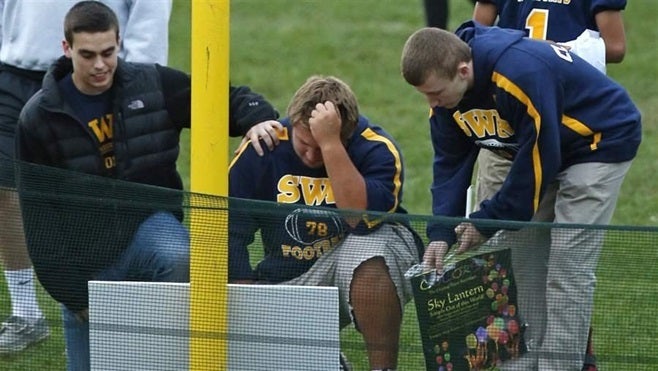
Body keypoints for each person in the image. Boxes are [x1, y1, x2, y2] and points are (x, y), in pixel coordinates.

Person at [14, 1, 279, 370]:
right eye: (87, 55)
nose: (100, 65)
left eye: (108, 52)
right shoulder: (38, 119)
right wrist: (73, 296)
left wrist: (257, 118)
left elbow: (223, 97)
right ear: (66, 49)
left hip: (147, 227)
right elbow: (39, 219)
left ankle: (163, 344)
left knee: (181, 257)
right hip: (84, 253)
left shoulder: (153, 83)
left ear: (119, 42)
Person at [400, 22, 641, 371]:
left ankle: (561, 366)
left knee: (566, 265)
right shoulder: (445, 95)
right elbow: (450, 163)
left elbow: (539, 158)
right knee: (520, 263)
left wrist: (485, 221)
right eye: (425, 95)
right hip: (541, 149)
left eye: (434, 93)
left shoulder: (518, 72)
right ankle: (524, 364)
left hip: (597, 142)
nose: (431, 103)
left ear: (463, 71)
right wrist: (440, 231)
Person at [0, 0, 172, 354]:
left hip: (97, 74)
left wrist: (136, 72)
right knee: (4, 186)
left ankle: (128, 321)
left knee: (91, 195)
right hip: (14, 69)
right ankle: (27, 314)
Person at [470, 2, 628, 370]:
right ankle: (513, 360)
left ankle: (570, 357)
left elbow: (615, 46)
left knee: (566, 265)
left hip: (572, 122)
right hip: (509, 129)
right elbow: (474, 34)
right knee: (507, 260)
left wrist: (547, 55)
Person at [228, 75, 423, 371]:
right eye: (304, 143)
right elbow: (230, 231)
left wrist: (330, 145)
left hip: (361, 253)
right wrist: (251, 305)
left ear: (349, 134)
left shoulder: (377, 149)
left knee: (368, 255)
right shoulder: (263, 148)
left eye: (321, 147)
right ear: (293, 123)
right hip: (290, 273)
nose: (311, 155)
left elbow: (358, 219)